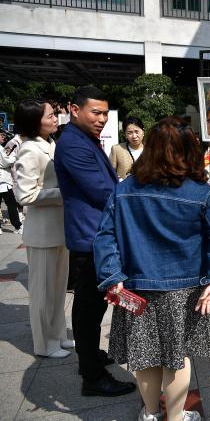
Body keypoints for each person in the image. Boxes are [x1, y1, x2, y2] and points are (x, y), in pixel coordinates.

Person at [94, 117, 210, 421]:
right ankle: (175, 417)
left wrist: (112, 276)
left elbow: (105, 236)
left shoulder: (124, 189)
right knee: (176, 358)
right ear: (187, 150)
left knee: (144, 357)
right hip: (183, 290)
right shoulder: (201, 194)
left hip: (134, 286)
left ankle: (150, 412)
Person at [54, 86, 135, 397]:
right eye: (95, 112)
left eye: (104, 113)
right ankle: (92, 376)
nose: (102, 119)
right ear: (75, 110)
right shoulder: (73, 144)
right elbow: (103, 191)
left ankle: (90, 357)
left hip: (94, 235)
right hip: (90, 238)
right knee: (89, 307)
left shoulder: (82, 138)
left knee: (95, 305)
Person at [12, 99, 70, 358]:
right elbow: (24, 195)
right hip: (42, 232)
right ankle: (44, 344)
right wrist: (64, 193)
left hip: (59, 229)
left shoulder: (51, 144)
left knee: (58, 289)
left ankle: (58, 334)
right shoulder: (29, 149)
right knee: (42, 292)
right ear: (35, 121)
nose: (55, 118)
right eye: (50, 115)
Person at [0, 132, 23, 235]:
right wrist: (14, 157)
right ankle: (17, 226)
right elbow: (5, 162)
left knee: (11, 204)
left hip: (4, 180)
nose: (3, 137)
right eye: (1, 135)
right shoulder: (2, 148)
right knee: (12, 204)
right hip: (3, 180)